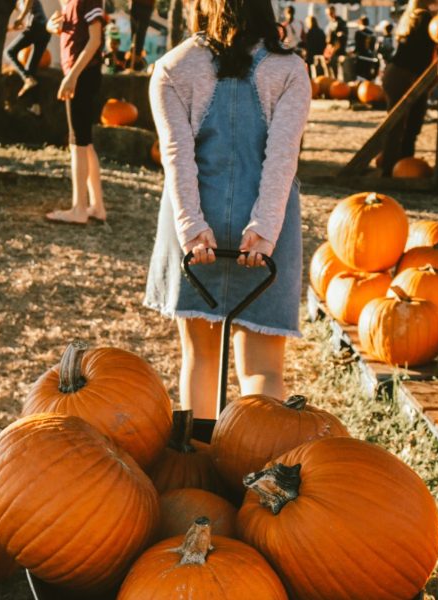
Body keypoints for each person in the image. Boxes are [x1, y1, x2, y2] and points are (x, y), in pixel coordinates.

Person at [145, 0, 311, 440]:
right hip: (265, 236)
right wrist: (264, 229)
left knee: (200, 358)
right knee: (262, 369)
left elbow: (177, 158)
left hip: (198, 227)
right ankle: (255, 460)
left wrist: (192, 228)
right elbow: (282, 159)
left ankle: (196, 463)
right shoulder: (290, 69)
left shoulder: (172, 68)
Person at [45, 0, 106, 225]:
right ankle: (97, 207)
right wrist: (50, 27)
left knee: (77, 144)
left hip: (83, 75)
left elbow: (95, 40)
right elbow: (69, 27)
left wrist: (72, 77)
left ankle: (79, 209)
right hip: (80, 74)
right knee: (85, 143)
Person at [380, 0, 435, 177]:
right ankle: (395, 166)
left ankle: (396, 165)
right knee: (405, 124)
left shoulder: (410, 16)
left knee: (400, 123)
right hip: (405, 74)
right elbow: (424, 51)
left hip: (397, 73)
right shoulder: (424, 18)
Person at [6, 0, 51, 97]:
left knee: (9, 52)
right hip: (45, 31)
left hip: (35, 25)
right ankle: (35, 106)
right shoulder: (17, 5)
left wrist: (21, 17)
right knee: (31, 70)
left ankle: (26, 78)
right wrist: (12, 27)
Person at [129, 0, 154, 70]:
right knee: (137, 34)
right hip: (138, 5)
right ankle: (134, 59)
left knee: (140, 34)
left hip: (146, 6)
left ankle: (136, 58)